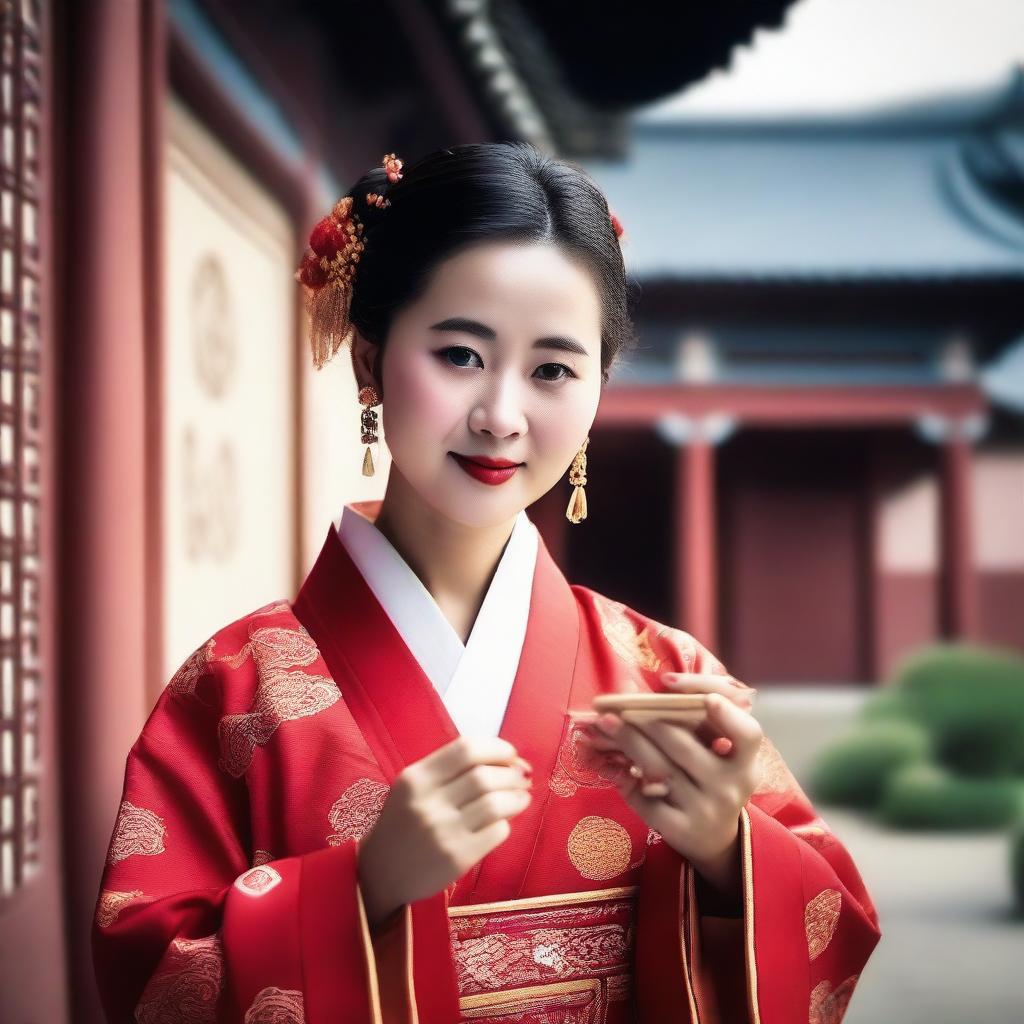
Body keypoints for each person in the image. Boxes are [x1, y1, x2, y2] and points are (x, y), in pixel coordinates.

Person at [92, 143, 881, 1023]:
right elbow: (149, 972)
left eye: (552, 370)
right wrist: (365, 887)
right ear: (369, 360)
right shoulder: (235, 690)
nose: (502, 415)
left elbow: (831, 924)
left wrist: (727, 857)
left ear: (597, 391)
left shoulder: (664, 674)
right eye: (460, 354)